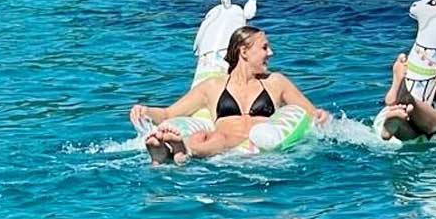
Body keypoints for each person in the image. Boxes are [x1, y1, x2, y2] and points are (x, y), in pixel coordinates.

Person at [129, 26, 328, 164]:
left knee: (217, 140)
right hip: (220, 142)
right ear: (244, 52)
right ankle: (170, 151)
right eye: (265, 47)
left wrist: (321, 116)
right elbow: (168, 114)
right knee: (213, 137)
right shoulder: (213, 86)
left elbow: (311, 113)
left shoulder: (276, 82)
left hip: (257, 144)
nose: (271, 53)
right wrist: (145, 110)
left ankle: (177, 152)